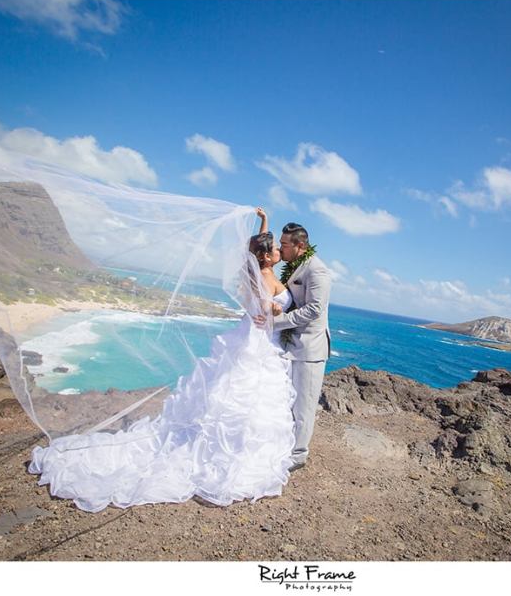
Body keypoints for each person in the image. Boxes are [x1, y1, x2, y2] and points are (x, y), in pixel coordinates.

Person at [26, 208, 298, 511]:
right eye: (275, 248)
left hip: (248, 336)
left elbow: (259, 248)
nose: (279, 251)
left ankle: (235, 448)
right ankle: (239, 456)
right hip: (258, 341)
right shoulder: (264, 276)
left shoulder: (254, 270)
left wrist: (264, 220)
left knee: (235, 398)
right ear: (266, 257)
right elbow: (264, 305)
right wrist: (275, 309)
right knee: (249, 399)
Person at [253, 221, 332, 471]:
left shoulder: (317, 270)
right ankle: (286, 445)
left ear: (300, 246)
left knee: (305, 404)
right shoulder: (294, 266)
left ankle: (298, 456)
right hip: (291, 345)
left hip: (310, 348)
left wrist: (276, 322)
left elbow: (314, 309)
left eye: (285, 245)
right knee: (289, 400)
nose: (281, 249)